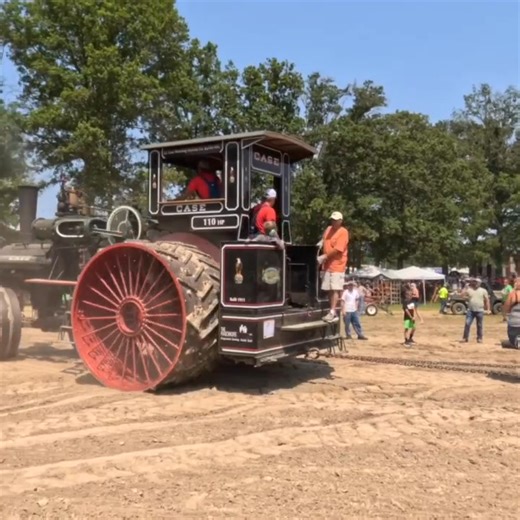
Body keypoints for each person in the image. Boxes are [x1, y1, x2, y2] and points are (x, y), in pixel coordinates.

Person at [318, 211, 349, 323]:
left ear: (341, 221)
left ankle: (333, 312)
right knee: (329, 289)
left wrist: (324, 256)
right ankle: (331, 311)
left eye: (336, 220)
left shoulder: (343, 232)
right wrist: (319, 245)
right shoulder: (328, 229)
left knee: (335, 289)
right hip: (327, 265)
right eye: (332, 219)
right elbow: (324, 240)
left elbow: (338, 249)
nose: (333, 221)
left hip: (338, 265)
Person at [461, 277, 490, 343]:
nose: (475, 283)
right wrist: (465, 287)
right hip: (470, 310)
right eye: (474, 282)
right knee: (467, 323)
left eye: (476, 282)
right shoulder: (469, 290)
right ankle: (465, 338)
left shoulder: (483, 290)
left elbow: (487, 300)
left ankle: (479, 338)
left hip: (480, 310)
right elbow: (462, 295)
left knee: (479, 325)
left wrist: (488, 309)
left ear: (479, 283)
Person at [503, 278, 520, 348]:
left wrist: (504, 316)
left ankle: (516, 341)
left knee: (507, 342)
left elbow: (506, 307)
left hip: (514, 323)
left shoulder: (512, 294)